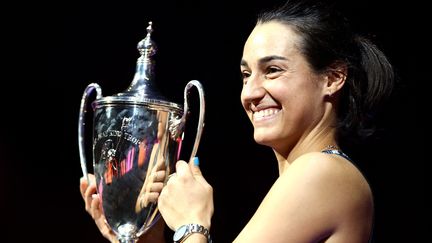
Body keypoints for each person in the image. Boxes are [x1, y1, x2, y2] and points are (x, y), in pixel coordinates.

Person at [80, 0, 394, 242]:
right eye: (246, 75)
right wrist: (145, 235)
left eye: (273, 70)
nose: (251, 93)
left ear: (333, 77)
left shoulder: (323, 173)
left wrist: (193, 222)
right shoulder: (303, 178)